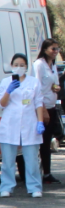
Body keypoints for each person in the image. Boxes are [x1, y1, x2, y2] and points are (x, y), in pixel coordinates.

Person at [0, 53, 44, 197]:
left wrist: (40, 121)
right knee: (8, 160)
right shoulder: (5, 82)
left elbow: (38, 103)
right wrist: (8, 91)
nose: (19, 68)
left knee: (32, 160)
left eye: (22, 65)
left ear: (27, 67)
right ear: (11, 66)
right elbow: (2, 104)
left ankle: (35, 187)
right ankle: (6, 187)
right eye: (16, 65)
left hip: (30, 123)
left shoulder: (34, 82)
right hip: (10, 124)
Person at [32, 38, 61, 184]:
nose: (56, 52)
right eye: (53, 49)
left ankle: (47, 173)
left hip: (51, 106)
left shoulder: (52, 65)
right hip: (42, 107)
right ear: (45, 50)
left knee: (47, 140)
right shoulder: (39, 65)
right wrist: (42, 109)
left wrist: (56, 87)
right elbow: (37, 87)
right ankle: (36, 172)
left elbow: (53, 82)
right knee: (40, 141)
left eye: (57, 49)